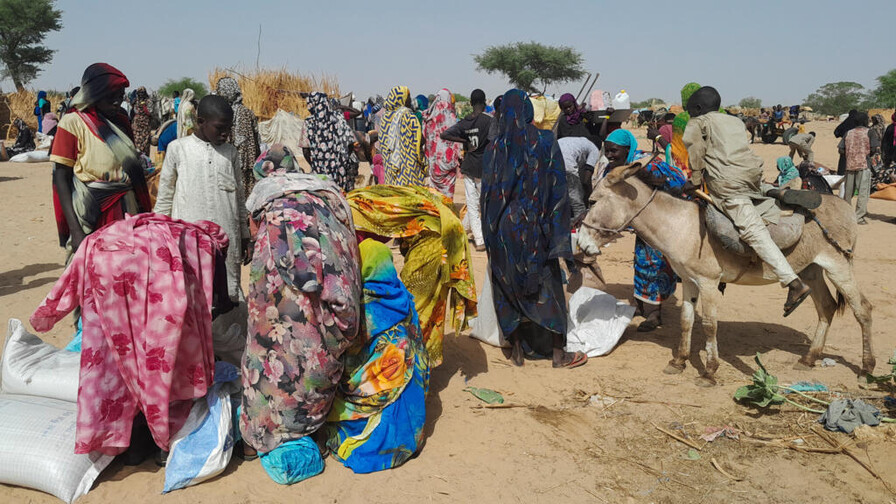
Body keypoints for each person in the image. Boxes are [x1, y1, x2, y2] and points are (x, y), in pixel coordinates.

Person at [31, 213, 230, 457]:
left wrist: (50, 311)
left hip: (106, 259)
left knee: (113, 359)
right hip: (144, 265)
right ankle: (160, 439)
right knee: (164, 358)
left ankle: (120, 440)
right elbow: (219, 303)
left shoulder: (188, 237)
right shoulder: (206, 244)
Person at [240, 154, 362, 483]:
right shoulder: (328, 193)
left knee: (269, 351)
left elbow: (266, 259)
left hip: (281, 302)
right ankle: (313, 427)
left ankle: (261, 438)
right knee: (311, 354)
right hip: (328, 306)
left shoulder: (267, 198)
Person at [682, 86, 811, 316]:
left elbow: (695, 151)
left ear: (698, 109)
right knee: (750, 189)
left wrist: (693, 180)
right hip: (751, 175)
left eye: (690, 109)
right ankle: (773, 192)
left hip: (727, 185)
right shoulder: (734, 122)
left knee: (752, 230)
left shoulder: (698, 122)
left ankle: (793, 282)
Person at [482, 89, 587, 369]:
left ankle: (516, 350)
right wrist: (558, 231)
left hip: (504, 228)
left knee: (506, 286)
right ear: (528, 111)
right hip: (535, 226)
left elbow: (488, 196)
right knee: (548, 285)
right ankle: (557, 354)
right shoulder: (543, 141)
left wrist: (490, 234)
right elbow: (557, 189)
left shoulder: (494, 148)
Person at [153, 95, 251, 364]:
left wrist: (244, 233)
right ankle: (196, 360)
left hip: (227, 238)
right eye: (220, 128)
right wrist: (158, 233)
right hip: (188, 240)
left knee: (227, 297)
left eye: (228, 129)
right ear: (200, 122)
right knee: (192, 297)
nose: (225, 133)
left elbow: (239, 197)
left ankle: (227, 361)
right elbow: (165, 195)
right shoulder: (178, 149)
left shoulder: (230, 153)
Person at [324, 238, 429, 474]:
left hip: (373, 386)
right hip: (405, 383)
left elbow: (347, 350)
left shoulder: (361, 304)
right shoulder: (403, 296)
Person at [347, 185, 477, 367]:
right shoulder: (349, 202)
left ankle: (413, 366)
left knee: (413, 307)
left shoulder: (346, 226)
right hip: (432, 222)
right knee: (424, 302)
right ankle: (417, 362)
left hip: (435, 235)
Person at [49, 63, 151, 259]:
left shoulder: (121, 120)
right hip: (93, 212)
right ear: (94, 93)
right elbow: (61, 178)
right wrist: (76, 230)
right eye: (111, 96)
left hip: (127, 209)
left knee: (126, 269)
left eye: (120, 97)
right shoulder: (72, 122)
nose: (116, 102)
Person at [600, 129, 687, 331]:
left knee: (655, 266)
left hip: (660, 225)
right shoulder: (614, 168)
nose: (610, 155)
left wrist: (654, 181)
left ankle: (655, 313)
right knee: (641, 263)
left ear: (628, 148)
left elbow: (679, 182)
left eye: (614, 151)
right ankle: (641, 305)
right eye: (607, 151)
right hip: (640, 225)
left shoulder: (648, 164)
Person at [441, 89, 492, 251]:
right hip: (485, 166)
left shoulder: (465, 122)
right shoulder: (489, 121)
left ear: (470, 103)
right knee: (483, 204)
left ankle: (464, 230)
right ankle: (481, 240)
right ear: (484, 103)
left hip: (469, 166)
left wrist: (464, 140)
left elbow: (445, 135)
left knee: (472, 203)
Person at [300, 92, 359, 192]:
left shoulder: (309, 122)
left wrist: (316, 164)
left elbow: (306, 150)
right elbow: (350, 143)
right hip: (340, 172)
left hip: (320, 175)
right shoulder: (339, 118)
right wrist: (342, 162)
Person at [215, 76, 261, 196]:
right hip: (249, 160)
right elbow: (256, 137)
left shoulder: (225, 112)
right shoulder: (248, 111)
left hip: (232, 158)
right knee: (247, 191)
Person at [379, 86, 426, 186]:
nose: (409, 100)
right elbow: (420, 141)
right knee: (409, 195)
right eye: (408, 97)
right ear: (402, 99)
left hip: (390, 166)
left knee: (394, 194)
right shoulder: (409, 116)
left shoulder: (384, 118)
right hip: (408, 169)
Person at [423, 88, 462, 199]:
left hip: (434, 163)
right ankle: (447, 209)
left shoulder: (429, 118)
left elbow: (425, 139)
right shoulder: (451, 117)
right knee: (447, 193)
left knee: (435, 194)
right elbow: (457, 142)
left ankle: (436, 211)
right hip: (448, 163)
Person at [558, 136, 600, 222]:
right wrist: (590, 200)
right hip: (567, 166)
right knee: (578, 205)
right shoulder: (594, 149)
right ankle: (578, 225)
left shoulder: (580, 142)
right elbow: (586, 180)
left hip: (548, 158)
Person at [842, 113, 871, 225]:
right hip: (863, 166)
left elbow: (841, 149)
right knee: (863, 192)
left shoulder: (848, 133)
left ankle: (846, 214)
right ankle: (858, 217)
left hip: (849, 165)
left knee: (848, 192)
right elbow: (874, 147)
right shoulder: (869, 132)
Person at [834, 110, 860, 175]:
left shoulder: (846, 122)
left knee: (843, 162)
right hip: (857, 146)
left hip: (846, 144)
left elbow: (836, 132)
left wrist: (842, 135)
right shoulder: (858, 124)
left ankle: (841, 174)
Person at [131, 87, 153, 156]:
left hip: (145, 124)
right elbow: (134, 111)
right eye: (139, 93)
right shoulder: (135, 101)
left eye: (142, 93)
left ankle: (145, 158)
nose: (141, 95)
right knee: (137, 140)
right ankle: (138, 158)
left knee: (145, 141)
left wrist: (144, 106)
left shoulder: (149, 101)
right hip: (137, 124)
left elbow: (150, 112)